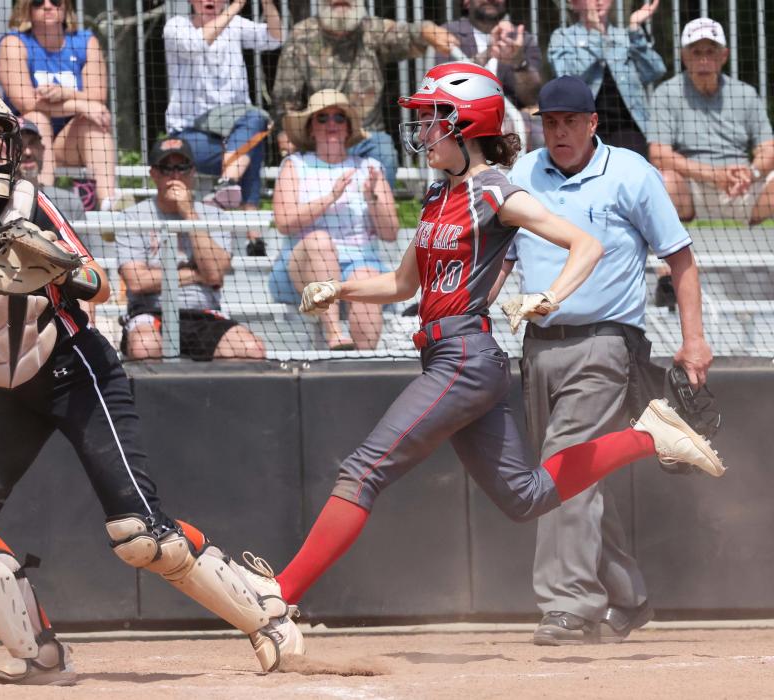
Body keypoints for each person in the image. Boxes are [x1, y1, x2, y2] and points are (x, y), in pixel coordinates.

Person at [237, 63, 724, 652]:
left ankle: (280, 594)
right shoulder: (441, 192)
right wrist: (339, 290)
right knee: (526, 497)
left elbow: (586, 244)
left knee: (363, 470)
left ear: (466, 123)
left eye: (432, 119)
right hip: (456, 354)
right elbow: (400, 286)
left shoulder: (496, 188)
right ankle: (651, 438)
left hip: (466, 358)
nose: (421, 130)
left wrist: (550, 294)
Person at [0, 88, 301, 685]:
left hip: (78, 373)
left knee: (140, 536)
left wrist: (61, 269)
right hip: (10, 391)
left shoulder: (26, 202)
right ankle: (39, 655)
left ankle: (264, 610)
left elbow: (100, 284)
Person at [499, 75, 714, 645]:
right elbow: (499, 255)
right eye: (550, 121)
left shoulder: (632, 173)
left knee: (562, 465)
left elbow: (681, 258)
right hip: (537, 345)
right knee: (574, 478)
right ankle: (625, 594)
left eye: (571, 120)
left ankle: (569, 604)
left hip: (606, 344)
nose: (560, 130)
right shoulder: (522, 174)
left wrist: (694, 339)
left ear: (593, 123)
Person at [272, 0, 461, 185]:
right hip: (321, 133)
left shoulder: (372, 29)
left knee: (385, 152)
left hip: (369, 135)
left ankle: (378, 213)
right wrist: (285, 130)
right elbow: (285, 92)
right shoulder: (302, 34)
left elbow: (406, 35)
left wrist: (426, 30)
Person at [269, 90, 397, 351]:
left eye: (339, 118)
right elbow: (284, 222)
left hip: (360, 260)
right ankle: (334, 334)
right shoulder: (295, 164)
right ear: (310, 128)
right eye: (322, 118)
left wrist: (372, 198)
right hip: (302, 266)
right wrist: (331, 197)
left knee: (368, 277)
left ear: (348, 129)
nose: (332, 124)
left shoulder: (369, 166)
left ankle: (365, 365)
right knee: (319, 241)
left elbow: (390, 233)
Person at [118, 138, 266, 361]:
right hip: (150, 311)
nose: (175, 175)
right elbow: (137, 281)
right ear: (154, 174)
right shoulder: (132, 217)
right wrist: (195, 274)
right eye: (166, 168)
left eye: (182, 168)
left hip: (202, 312)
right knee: (143, 346)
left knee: (251, 349)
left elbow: (215, 273)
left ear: (192, 172)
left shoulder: (215, 216)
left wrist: (188, 213)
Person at [649, 18, 774, 225]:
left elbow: (768, 149)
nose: (704, 60)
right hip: (691, 189)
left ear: (724, 55)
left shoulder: (745, 93)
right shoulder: (666, 93)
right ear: (684, 56)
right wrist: (713, 175)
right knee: (663, 180)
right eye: (696, 52)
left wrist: (751, 174)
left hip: (743, 186)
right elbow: (658, 155)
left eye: (711, 52)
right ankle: (664, 250)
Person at [0, 0, 118, 210]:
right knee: (36, 118)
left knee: (94, 123)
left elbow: (98, 97)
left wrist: (65, 93)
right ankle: (44, 205)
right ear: (26, 8)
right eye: (38, 2)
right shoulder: (13, 42)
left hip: (68, 143)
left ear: (66, 7)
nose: (48, 6)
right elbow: (25, 102)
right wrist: (80, 105)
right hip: (25, 145)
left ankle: (109, 207)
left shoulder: (84, 41)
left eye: (55, 1)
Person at [164, 0, 282, 211]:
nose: (207, 1)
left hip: (234, 133)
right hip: (189, 135)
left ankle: (229, 188)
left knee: (255, 122)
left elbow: (275, 38)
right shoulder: (176, 26)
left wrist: (267, 4)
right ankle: (250, 228)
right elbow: (196, 45)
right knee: (251, 146)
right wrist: (237, 5)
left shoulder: (235, 24)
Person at [547, 0, 665, 157]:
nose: (598, 1)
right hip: (581, 126)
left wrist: (635, 28)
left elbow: (655, 70)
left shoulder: (624, 36)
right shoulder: (562, 37)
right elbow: (566, 76)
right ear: (575, 4)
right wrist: (596, 34)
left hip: (628, 127)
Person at [442, 0, 542, 110]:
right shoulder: (447, 33)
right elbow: (446, 87)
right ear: (466, 2)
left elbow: (531, 98)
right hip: (461, 115)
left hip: (514, 122)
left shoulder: (523, 38)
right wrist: (488, 53)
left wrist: (519, 62)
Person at [15, 117, 86, 222]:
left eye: (33, 142)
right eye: (19, 145)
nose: (28, 152)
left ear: (43, 150)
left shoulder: (70, 202)